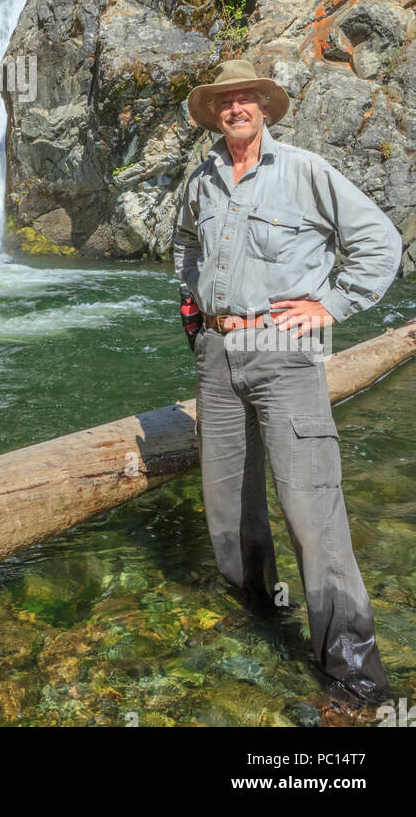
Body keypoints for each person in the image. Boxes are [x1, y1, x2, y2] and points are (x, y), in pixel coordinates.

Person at [173, 58, 403, 717]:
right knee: (227, 512)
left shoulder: (304, 172)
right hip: (217, 357)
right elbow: (185, 245)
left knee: (313, 515)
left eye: (248, 97)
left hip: (284, 354)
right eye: (226, 99)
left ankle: (357, 684)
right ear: (214, 111)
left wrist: (329, 306)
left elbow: (379, 244)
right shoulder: (203, 177)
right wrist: (194, 310)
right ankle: (258, 627)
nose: (237, 106)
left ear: (265, 109)